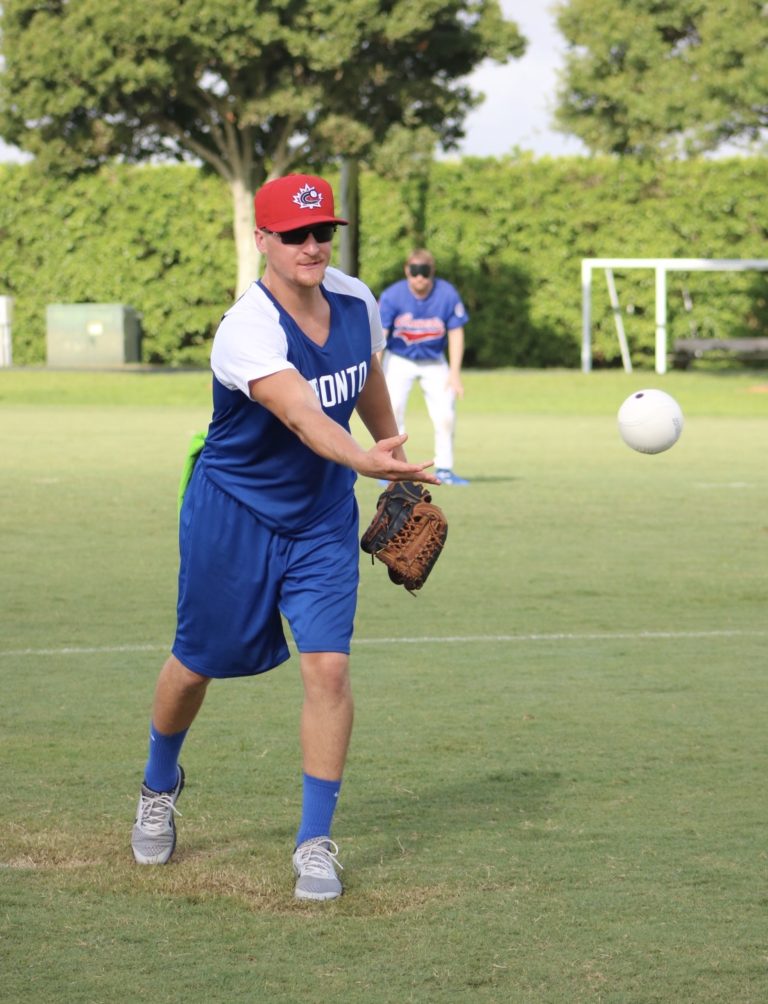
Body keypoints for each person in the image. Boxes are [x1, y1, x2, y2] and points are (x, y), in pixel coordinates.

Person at [130, 174, 437, 902]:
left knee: (328, 669)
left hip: (320, 519)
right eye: (293, 234)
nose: (311, 246)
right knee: (196, 662)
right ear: (262, 240)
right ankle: (158, 781)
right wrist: (361, 457)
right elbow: (302, 414)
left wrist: (385, 443)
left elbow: (361, 374)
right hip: (232, 514)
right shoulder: (248, 328)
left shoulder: (358, 300)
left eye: (321, 231)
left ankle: (315, 843)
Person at [377, 249, 470, 485]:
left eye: (425, 271)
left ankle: (445, 469)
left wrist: (455, 374)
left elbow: (456, 332)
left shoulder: (446, 294)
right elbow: (379, 337)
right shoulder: (393, 296)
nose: (420, 277)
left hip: (434, 361)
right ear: (407, 271)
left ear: (433, 272)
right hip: (400, 359)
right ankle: (395, 468)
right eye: (415, 271)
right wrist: (374, 372)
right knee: (392, 411)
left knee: (445, 414)